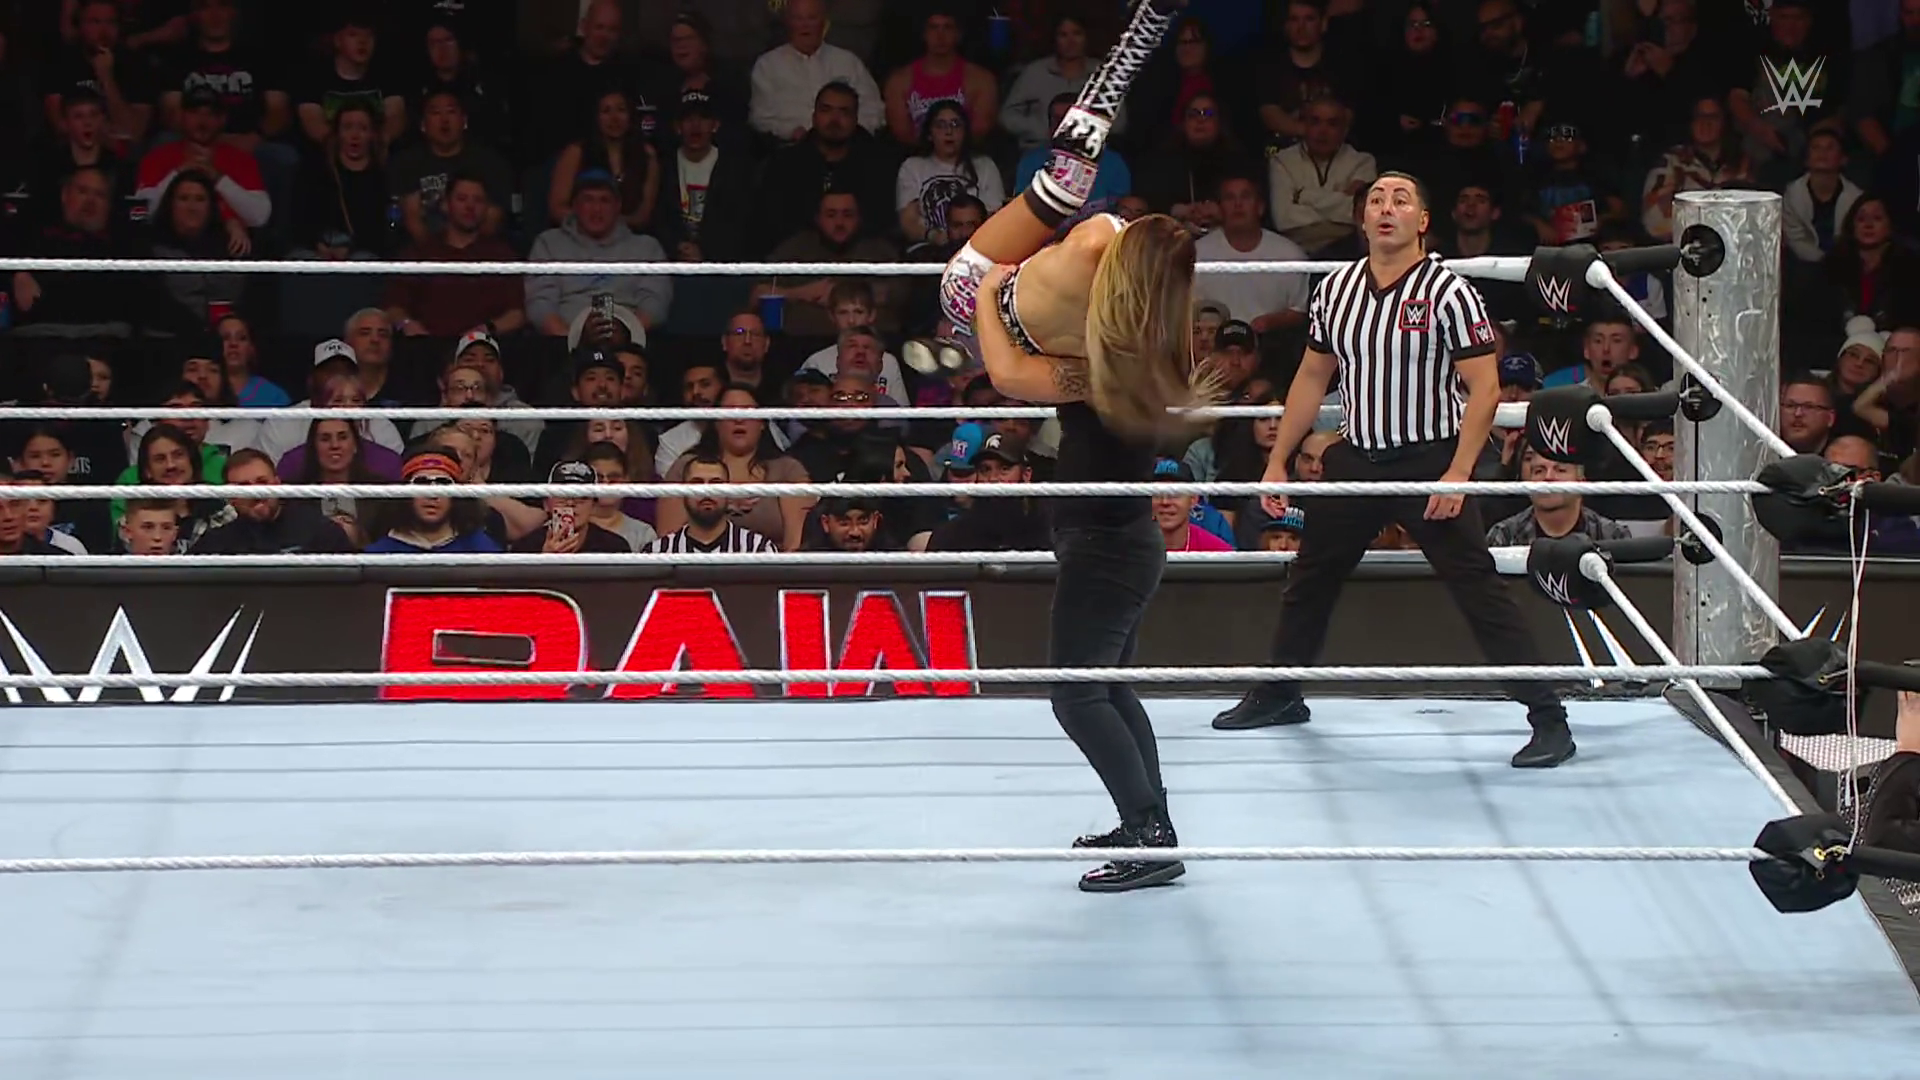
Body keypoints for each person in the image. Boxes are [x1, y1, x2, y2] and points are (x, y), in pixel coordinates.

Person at [929, 0, 1197, 894]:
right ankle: (1148, 821)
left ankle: (1150, 834)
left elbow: (1006, 375)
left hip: (1109, 545)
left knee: (1076, 693)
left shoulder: (1099, 372)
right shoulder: (1128, 359)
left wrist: (989, 294)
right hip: (1116, 542)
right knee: (1108, 688)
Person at [1210, 172, 1575, 769]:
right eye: (1376, 200)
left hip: (1430, 459)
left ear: (1422, 221)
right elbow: (1311, 377)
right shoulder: (1336, 290)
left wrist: (1458, 473)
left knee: (1479, 589)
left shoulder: (1450, 292)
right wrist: (1277, 461)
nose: (1386, 208)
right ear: (1362, 219)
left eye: (1401, 200)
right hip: (1357, 458)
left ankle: (1549, 718)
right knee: (1310, 579)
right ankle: (1280, 693)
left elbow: (1484, 388)